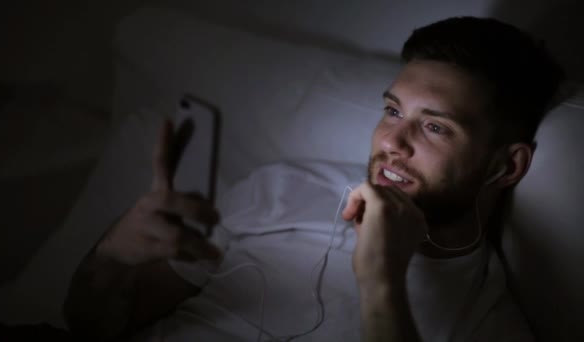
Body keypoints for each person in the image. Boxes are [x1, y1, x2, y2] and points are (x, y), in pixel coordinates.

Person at [63, 16, 563, 341]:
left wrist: (380, 280)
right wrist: (113, 255)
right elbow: (95, 324)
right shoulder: (283, 188)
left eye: (434, 127)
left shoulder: (484, 321)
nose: (392, 142)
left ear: (506, 166)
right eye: (392, 110)